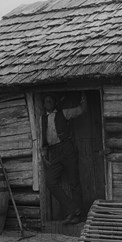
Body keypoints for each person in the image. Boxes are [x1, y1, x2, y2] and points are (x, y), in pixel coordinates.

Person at [41, 92, 87, 224]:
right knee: (50, 180)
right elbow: (43, 139)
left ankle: (78, 216)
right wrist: (44, 155)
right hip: (54, 152)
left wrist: (84, 97)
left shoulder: (64, 113)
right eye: (45, 101)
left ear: (54, 103)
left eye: (50, 100)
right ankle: (73, 209)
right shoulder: (42, 119)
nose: (47, 103)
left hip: (67, 149)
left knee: (74, 182)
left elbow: (81, 110)